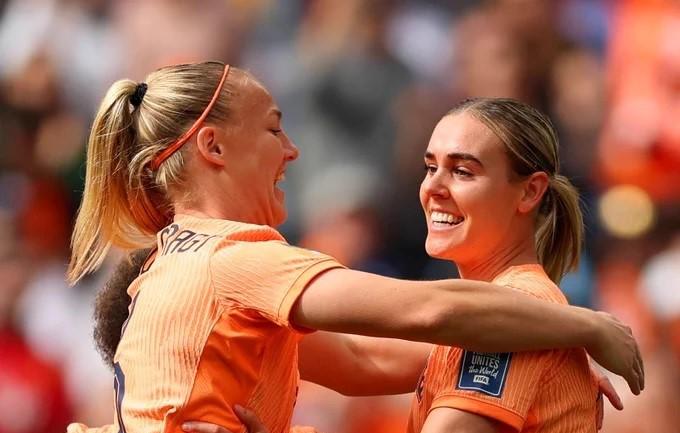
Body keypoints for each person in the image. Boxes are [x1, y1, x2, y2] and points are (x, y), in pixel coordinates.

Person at [66, 62, 642, 433]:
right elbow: (431, 311)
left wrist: (544, 343)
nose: (291, 150)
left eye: (463, 170)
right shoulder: (237, 257)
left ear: (530, 192)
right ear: (213, 147)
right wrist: (585, 328)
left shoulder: (165, 264)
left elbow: (366, 360)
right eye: (273, 128)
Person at [407, 98, 629, 432]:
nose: (432, 188)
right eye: (430, 168)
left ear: (530, 192)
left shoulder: (516, 314)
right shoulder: (504, 316)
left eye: (462, 171)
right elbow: (358, 356)